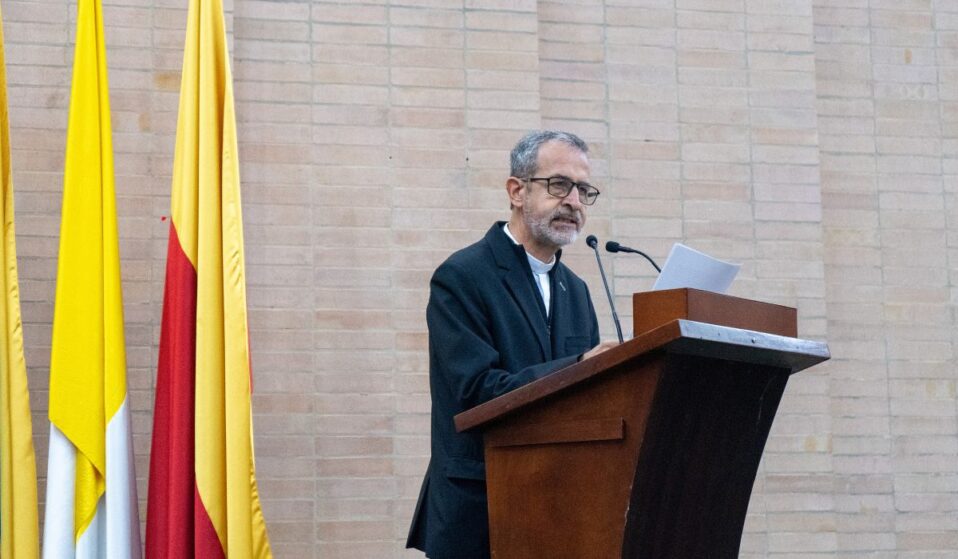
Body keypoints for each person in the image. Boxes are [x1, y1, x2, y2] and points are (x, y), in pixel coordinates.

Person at [406, 130, 619, 558]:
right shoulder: (463, 276)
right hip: (482, 513)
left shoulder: (575, 290)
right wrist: (580, 364)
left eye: (584, 190)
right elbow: (476, 391)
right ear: (516, 191)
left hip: (562, 512)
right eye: (559, 185)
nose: (574, 201)